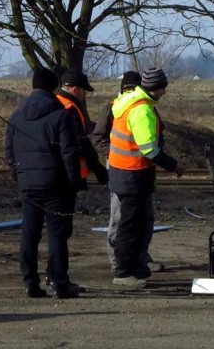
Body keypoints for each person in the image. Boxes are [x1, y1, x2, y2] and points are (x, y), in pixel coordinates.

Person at [4, 67, 81, 299]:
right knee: (57, 235)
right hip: (55, 184)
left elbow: (9, 150)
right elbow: (69, 153)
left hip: (28, 182)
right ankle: (59, 282)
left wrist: (18, 175)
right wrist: (73, 182)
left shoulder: (16, 115)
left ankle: (29, 281)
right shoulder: (61, 115)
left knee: (30, 232)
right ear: (54, 87)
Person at [107, 67, 184, 289]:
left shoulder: (128, 102)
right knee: (130, 226)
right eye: (163, 88)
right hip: (133, 175)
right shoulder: (142, 111)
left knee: (133, 224)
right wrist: (175, 166)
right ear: (156, 88)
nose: (165, 92)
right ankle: (123, 273)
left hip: (123, 173)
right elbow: (149, 149)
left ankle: (134, 268)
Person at [89, 71, 163, 277]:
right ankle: (119, 263)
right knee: (122, 221)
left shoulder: (143, 108)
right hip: (125, 172)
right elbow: (99, 138)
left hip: (139, 172)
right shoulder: (119, 108)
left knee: (142, 220)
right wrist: (115, 156)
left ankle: (139, 258)